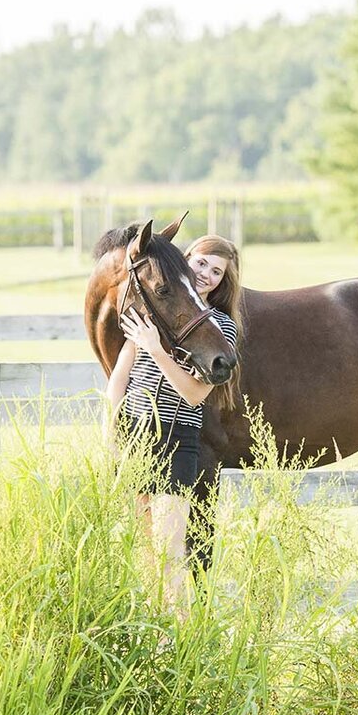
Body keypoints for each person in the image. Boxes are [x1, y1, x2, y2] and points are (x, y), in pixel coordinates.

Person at [106, 234, 243, 608]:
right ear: (185, 260)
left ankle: (177, 641)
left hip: (174, 436)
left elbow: (195, 394)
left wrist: (155, 347)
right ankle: (154, 635)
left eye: (217, 272)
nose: (207, 274)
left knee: (170, 551)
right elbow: (120, 377)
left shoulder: (218, 326)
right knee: (143, 551)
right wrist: (111, 437)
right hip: (134, 431)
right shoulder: (155, 305)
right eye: (201, 263)